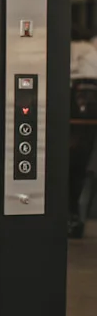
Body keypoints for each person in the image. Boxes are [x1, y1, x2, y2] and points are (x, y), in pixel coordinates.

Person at [69, 25, 97, 238]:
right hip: (88, 115)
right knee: (82, 169)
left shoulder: (74, 49)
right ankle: (76, 219)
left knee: (73, 167)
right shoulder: (91, 51)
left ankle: (72, 218)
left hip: (75, 109)